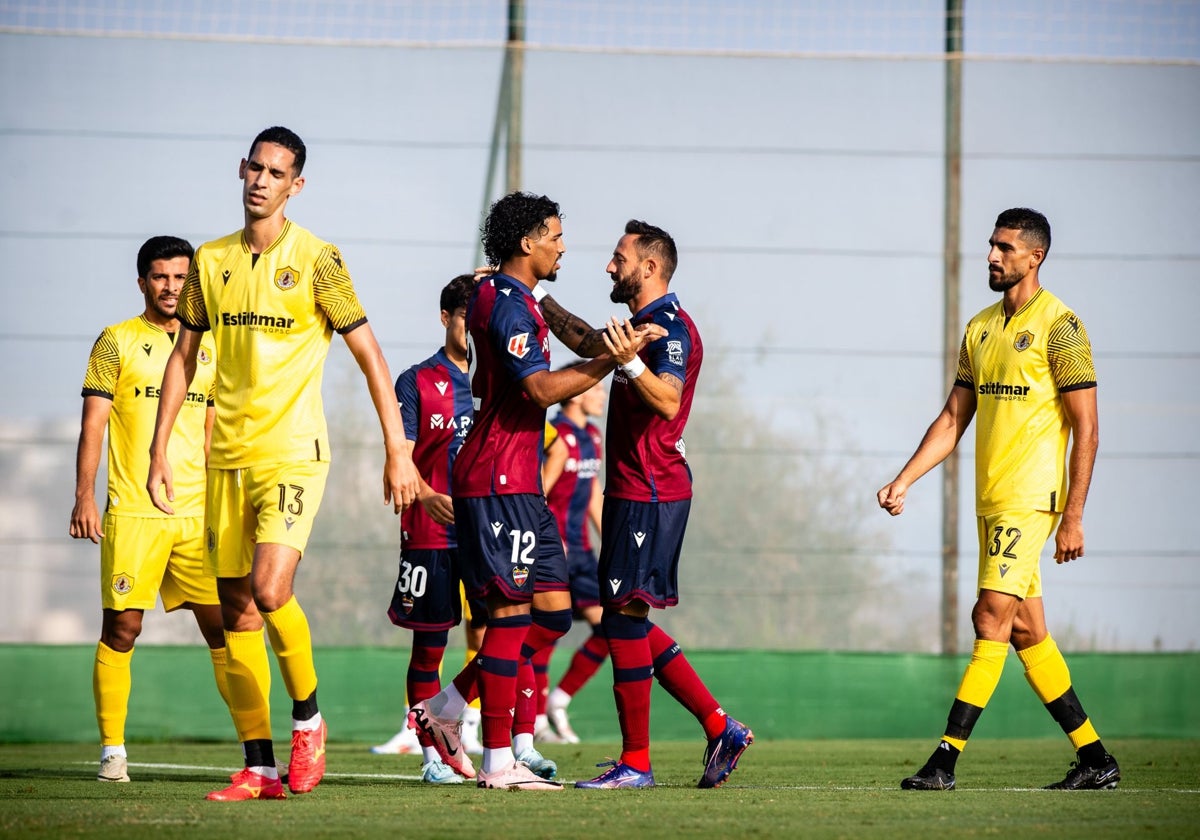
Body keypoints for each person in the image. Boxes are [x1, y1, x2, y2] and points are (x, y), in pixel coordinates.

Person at [146, 126, 419, 801]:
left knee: (270, 591)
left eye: (278, 173)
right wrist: (160, 448)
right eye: (255, 168)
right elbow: (183, 358)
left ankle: (309, 718)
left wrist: (397, 449)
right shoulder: (209, 261)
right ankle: (259, 766)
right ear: (242, 171)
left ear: (296, 185)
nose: (262, 181)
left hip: (295, 453)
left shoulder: (319, 258)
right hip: (225, 460)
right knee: (235, 608)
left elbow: (370, 355)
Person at [407, 192, 658, 791]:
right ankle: (498, 761)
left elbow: (576, 333)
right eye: (555, 235)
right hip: (497, 481)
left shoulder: (520, 296)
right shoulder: (507, 305)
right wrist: (615, 364)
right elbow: (542, 390)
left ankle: (447, 707)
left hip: (519, 484)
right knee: (510, 616)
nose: (563, 245)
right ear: (527, 242)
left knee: (553, 613)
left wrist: (619, 342)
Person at [877, 207, 1118, 792]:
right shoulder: (981, 328)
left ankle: (944, 761)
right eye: (991, 245)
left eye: (1005, 248)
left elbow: (1086, 426)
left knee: (989, 617)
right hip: (993, 501)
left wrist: (1074, 516)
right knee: (1028, 631)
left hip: (1032, 500)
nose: (991, 256)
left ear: (1034, 257)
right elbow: (955, 415)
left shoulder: (1062, 327)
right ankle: (1095, 759)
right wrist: (905, 478)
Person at [571, 220, 754, 790]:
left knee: (623, 617)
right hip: (632, 489)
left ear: (649, 268)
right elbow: (584, 343)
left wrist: (628, 364)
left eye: (618, 257)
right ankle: (718, 724)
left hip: (652, 489)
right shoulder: (640, 327)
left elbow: (669, 400)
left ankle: (638, 763)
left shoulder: (671, 329)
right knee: (625, 613)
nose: (609, 265)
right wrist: (529, 294)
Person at [70, 235, 235, 784]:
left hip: (198, 512)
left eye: (180, 277)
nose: (171, 287)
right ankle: (113, 750)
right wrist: (84, 496)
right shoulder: (116, 340)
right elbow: (94, 424)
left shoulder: (209, 345)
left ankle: (254, 752)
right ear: (142, 282)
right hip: (135, 512)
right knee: (123, 628)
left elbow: (214, 432)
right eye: (160, 277)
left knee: (227, 629)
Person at [374, 274, 477, 784]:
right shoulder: (416, 380)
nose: (474, 329)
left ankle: (513, 744)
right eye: (465, 319)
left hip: (490, 530)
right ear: (445, 318)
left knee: (518, 628)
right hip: (431, 531)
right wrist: (424, 492)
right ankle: (432, 757)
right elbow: (401, 457)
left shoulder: (502, 380)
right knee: (429, 647)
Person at [538, 375, 608, 744]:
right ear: (576, 395)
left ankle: (558, 701)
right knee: (548, 629)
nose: (602, 395)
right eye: (596, 389)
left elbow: (593, 493)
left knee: (610, 629)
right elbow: (538, 491)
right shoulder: (553, 434)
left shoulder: (593, 437)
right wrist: (549, 541)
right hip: (555, 552)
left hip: (584, 554)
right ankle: (534, 719)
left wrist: (609, 543)